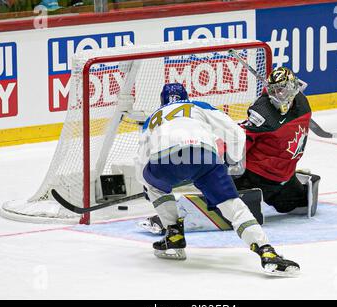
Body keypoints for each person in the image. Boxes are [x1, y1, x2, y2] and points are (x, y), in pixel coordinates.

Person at [135, 82, 300, 276]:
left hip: (165, 160)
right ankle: (267, 252)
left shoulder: (152, 118)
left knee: (153, 186)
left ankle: (174, 235)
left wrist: (148, 185)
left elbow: (140, 158)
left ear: (162, 101)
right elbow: (236, 133)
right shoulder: (198, 106)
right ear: (186, 97)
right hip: (204, 156)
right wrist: (231, 161)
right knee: (233, 207)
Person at [234, 66, 321, 217]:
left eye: (282, 90)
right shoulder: (262, 113)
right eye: (273, 90)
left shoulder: (302, 103)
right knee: (233, 205)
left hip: (284, 176)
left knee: (300, 205)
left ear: (293, 87)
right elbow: (240, 142)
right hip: (256, 176)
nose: (277, 95)